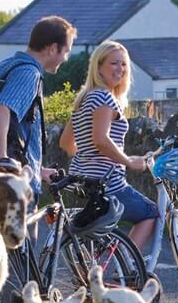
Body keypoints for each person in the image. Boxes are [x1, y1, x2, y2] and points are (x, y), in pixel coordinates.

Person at [58, 40, 158, 256]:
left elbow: (66, 143)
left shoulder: (83, 98)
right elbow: (101, 140)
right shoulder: (104, 97)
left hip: (83, 182)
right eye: (114, 63)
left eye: (123, 65)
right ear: (99, 67)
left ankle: (109, 268)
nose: (120, 69)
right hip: (108, 184)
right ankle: (129, 267)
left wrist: (88, 159)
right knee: (152, 213)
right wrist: (129, 161)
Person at [0, 15, 77, 196]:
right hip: (17, 187)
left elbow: (17, 131)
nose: (65, 58)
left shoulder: (7, 65)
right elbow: (0, 110)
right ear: (53, 48)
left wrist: (39, 170)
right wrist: (4, 162)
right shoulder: (29, 74)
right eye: (66, 51)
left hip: (4, 180)